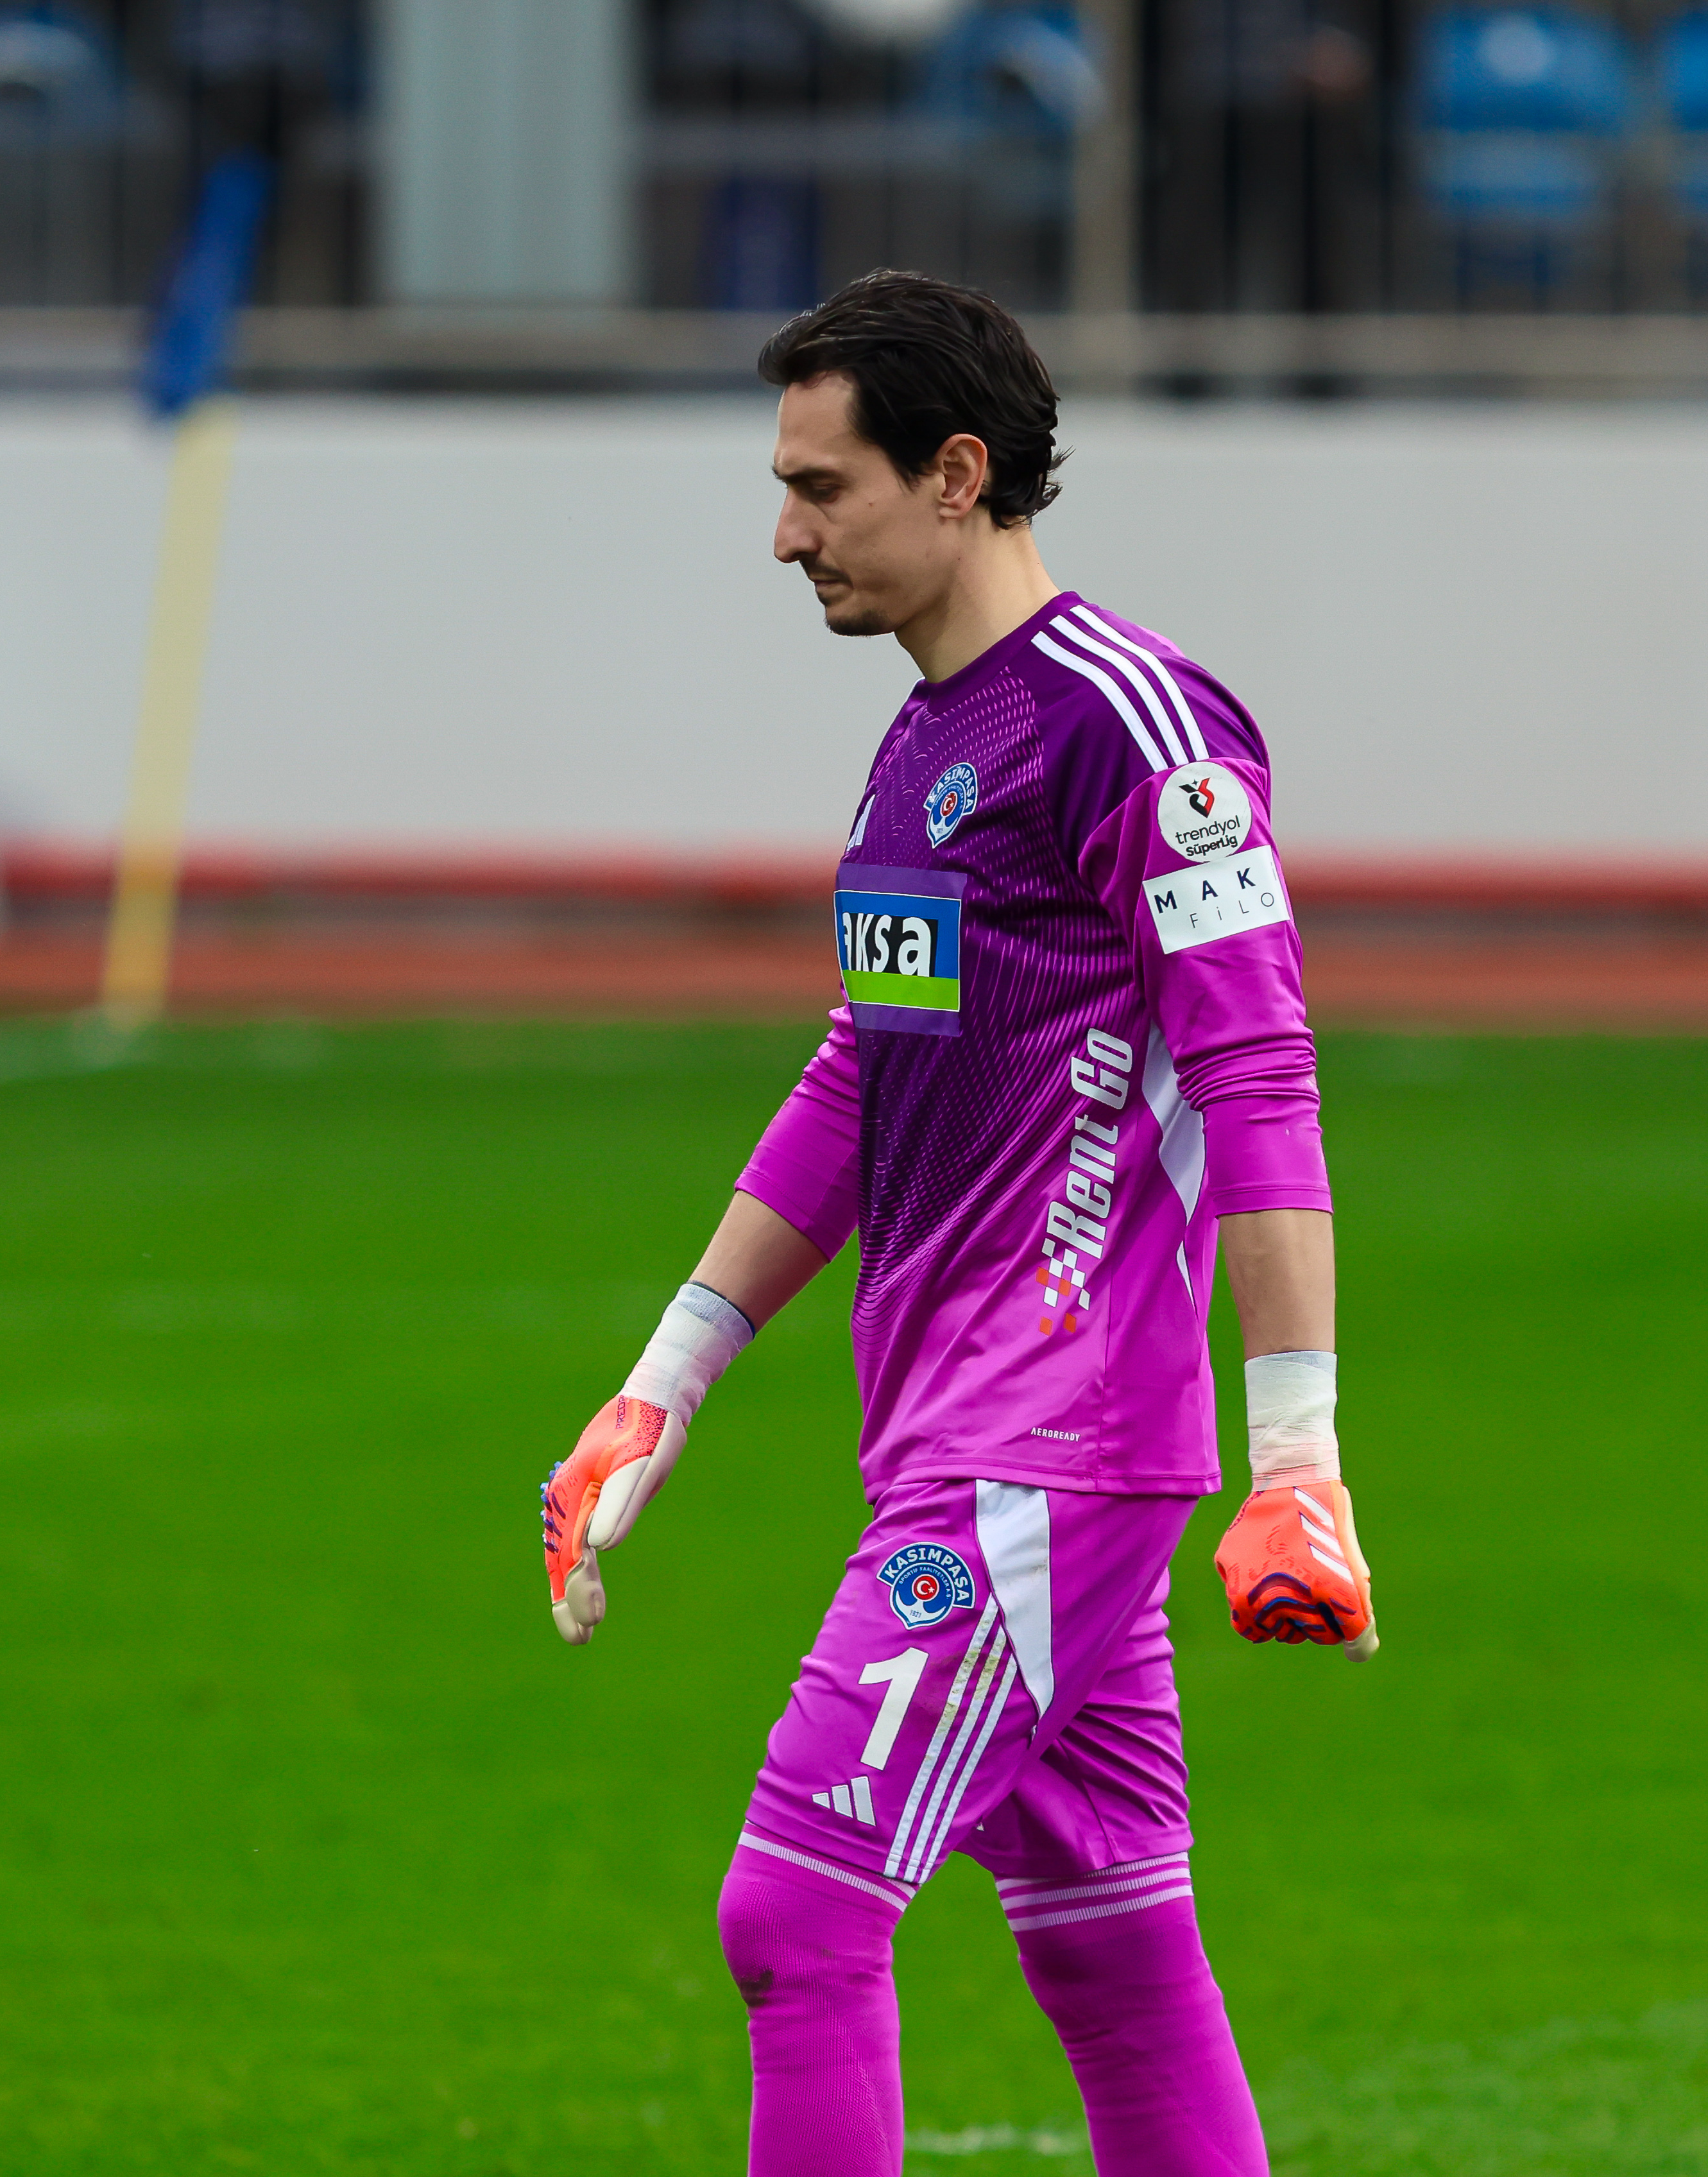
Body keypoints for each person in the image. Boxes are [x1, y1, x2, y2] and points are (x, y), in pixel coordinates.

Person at [541, 270, 1377, 2177]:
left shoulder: (1136, 730)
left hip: (1045, 1449)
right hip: (968, 1438)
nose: (785, 535)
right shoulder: (926, 741)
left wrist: (1300, 1457)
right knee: (1113, 1950)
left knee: (794, 1914)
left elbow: (1259, 1080)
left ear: (956, 474)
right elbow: (865, 1070)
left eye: (818, 486)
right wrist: (662, 1383)